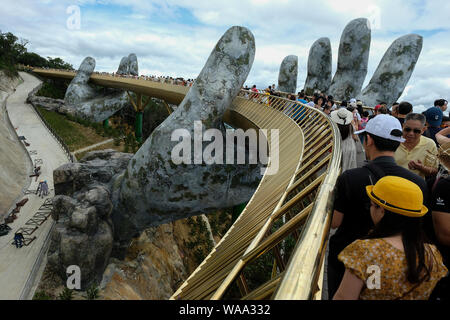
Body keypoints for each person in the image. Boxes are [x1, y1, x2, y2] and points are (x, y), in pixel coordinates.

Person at [327, 114, 429, 298]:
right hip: (397, 261)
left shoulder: (350, 178)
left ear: (369, 140)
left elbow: (335, 222)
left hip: (348, 256)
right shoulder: (417, 183)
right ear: (398, 143)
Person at [333, 176, 448, 300]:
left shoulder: (365, 251)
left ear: (381, 210)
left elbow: (344, 297)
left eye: (372, 205)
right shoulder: (432, 255)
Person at [394, 113, 438, 178]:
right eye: (407, 129)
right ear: (403, 126)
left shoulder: (430, 144)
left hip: (416, 186)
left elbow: (434, 170)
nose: (411, 133)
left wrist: (422, 168)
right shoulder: (393, 141)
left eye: (416, 131)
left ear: (423, 130)